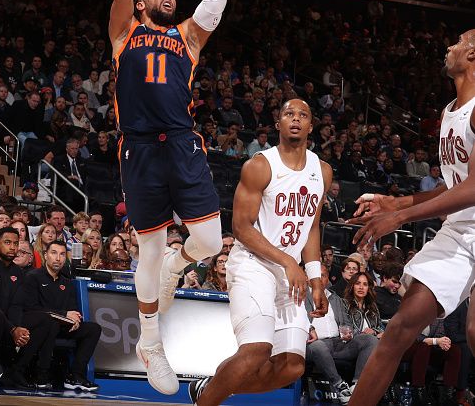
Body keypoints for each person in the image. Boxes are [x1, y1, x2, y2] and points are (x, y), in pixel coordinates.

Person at [109, 0, 226, 395]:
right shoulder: (124, 35)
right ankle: (151, 343)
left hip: (182, 143)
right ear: (141, 4)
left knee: (211, 244)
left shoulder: (188, 38)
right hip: (139, 149)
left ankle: (182, 264)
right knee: (150, 248)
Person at [348, 30, 475, 406]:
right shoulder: (450, 110)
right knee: (400, 328)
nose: (449, 47)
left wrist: (403, 215)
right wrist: (395, 201)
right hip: (460, 231)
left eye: (458, 42)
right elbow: (453, 185)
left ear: (473, 54)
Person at [189, 99, 330, 406]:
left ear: (310, 125)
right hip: (254, 264)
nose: (295, 119)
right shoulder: (260, 165)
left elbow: (312, 227)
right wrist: (289, 262)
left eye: (303, 115)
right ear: (277, 124)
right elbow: (240, 227)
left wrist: (316, 278)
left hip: (289, 273)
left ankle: (209, 389)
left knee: (292, 366)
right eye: (288, 114)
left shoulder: (323, 171)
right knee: (256, 352)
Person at [0, 227, 55, 389]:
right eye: (8, 243)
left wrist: (18, 328)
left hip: (7, 322)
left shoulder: (19, 273)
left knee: (44, 320)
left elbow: (17, 304)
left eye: (16, 243)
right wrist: (13, 329)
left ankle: (14, 372)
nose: (13, 247)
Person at [22, 240, 101, 391]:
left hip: (63, 326)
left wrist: (75, 320)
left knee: (93, 329)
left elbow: (73, 309)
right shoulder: (33, 277)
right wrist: (65, 314)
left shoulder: (67, 281)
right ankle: (41, 374)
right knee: (51, 324)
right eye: (54, 253)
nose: (58, 258)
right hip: (41, 326)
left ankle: (75, 376)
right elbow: (32, 309)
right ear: (45, 256)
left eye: (62, 254)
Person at [305, 264, 379, 404]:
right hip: (312, 345)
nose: (320, 279)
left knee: (370, 340)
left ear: (328, 279)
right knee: (318, 346)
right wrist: (309, 328)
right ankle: (340, 385)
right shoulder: (302, 296)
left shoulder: (335, 299)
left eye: (324, 276)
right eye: (317, 276)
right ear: (308, 278)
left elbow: (346, 322)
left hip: (337, 343)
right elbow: (298, 318)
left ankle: (356, 386)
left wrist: (348, 332)